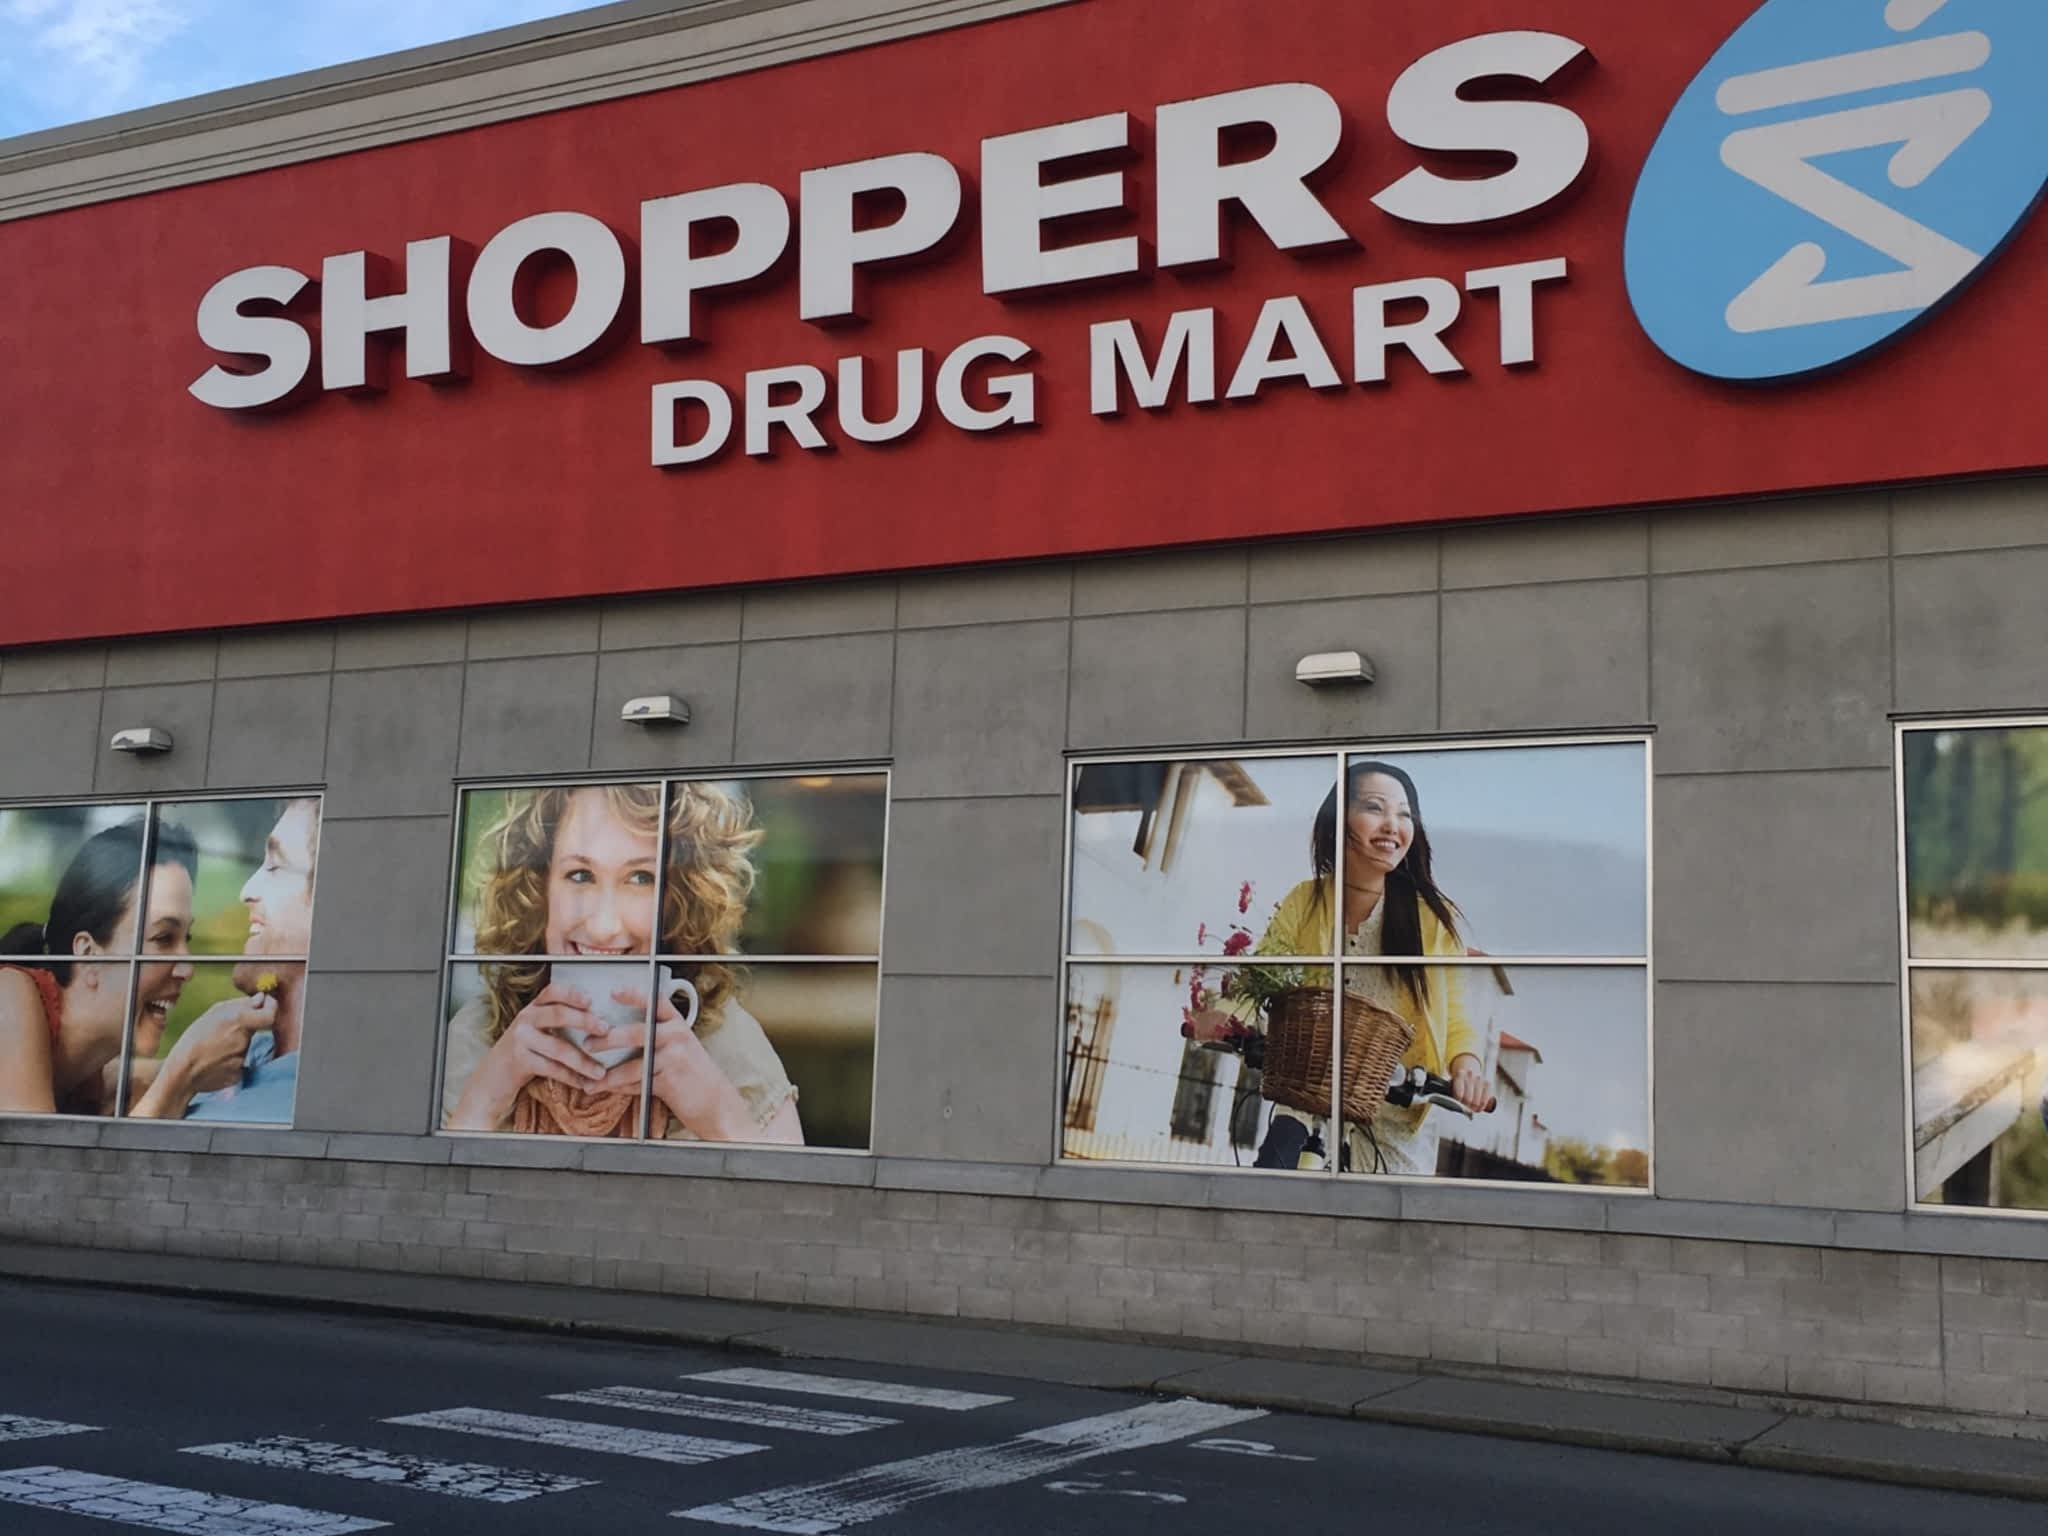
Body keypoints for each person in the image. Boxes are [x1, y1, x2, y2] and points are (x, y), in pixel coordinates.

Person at [440, 782, 803, 1143]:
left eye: (640, 878)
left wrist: (719, 1116)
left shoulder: (729, 1047)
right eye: (580, 876)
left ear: (675, 902)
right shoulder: (478, 1037)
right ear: (541, 892)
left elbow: (795, 1199)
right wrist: (483, 1102)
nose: (603, 926)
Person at [1191, 759, 1488, 1175]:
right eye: (1374, 808)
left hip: (1393, 1114)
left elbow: (1455, 1017)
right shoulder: (1305, 901)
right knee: (1270, 1187)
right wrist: (1226, 1017)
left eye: (1404, 814)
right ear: (1338, 820)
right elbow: (1259, 977)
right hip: (1309, 1095)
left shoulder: (1432, 922)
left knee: (1385, 1224)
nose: (1392, 824)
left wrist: (1468, 1070)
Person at [0, 817, 265, 1117]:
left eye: (185, 938)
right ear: (88, 953)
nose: (187, 969)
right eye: (164, 938)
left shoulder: (88, 1075)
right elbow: (37, 1160)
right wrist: (181, 1078)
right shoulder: (9, 996)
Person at [159, 797, 323, 1123]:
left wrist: (180, 1074)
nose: (247, 890)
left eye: (275, 867)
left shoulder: (303, 1103)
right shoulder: (242, 1050)